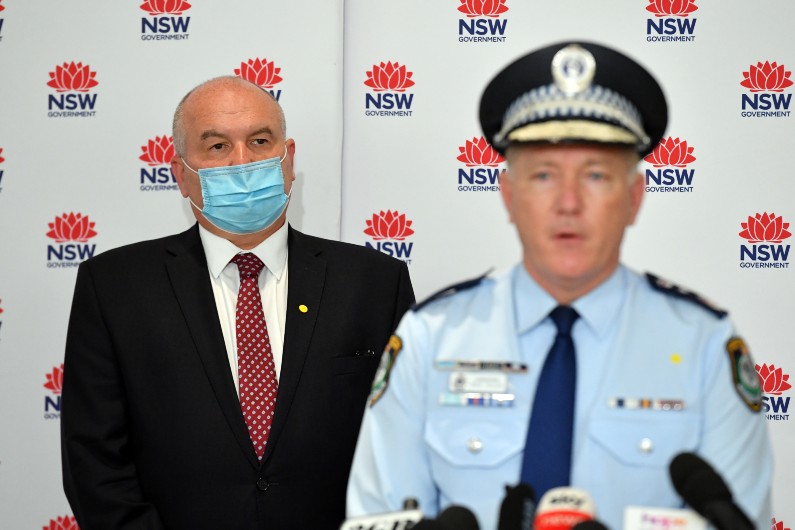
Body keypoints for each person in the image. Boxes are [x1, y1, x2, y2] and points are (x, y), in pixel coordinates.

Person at [346, 41, 772, 530]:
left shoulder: (704, 346)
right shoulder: (432, 336)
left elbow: (738, 518)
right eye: (544, 175)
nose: (568, 203)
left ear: (634, 197)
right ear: (508, 195)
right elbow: (379, 515)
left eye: (595, 175)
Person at [61, 76, 415, 530]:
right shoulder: (114, 287)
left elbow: (404, 447)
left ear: (289, 161)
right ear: (180, 175)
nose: (242, 162)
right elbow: (94, 465)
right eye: (216, 147)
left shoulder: (375, 283)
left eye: (260, 141)